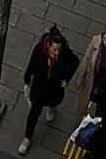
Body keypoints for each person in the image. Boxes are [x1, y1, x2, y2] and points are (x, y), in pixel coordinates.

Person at [19, 25, 79, 153]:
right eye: (54, 49)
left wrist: (66, 79)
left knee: (54, 101)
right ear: (48, 45)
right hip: (39, 87)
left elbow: (75, 62)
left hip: (55, 87)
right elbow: (31, 64)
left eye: (58, 50)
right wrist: (27, 80)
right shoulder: (39, 50)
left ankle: (52, 108)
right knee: (34, 113)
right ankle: (27, 137)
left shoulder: (64, 53)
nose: (56, 52)